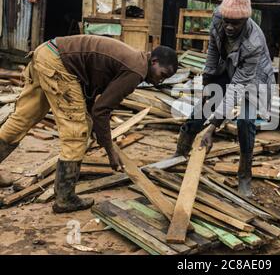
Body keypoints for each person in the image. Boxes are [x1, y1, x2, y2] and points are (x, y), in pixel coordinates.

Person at [0, 35, 178, 213]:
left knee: (22, 119)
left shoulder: (135, 60)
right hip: (59, 64)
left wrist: (96, 125)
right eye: (162, 74)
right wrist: (110, 150)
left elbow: (93, 89)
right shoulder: (136, 70)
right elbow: (102, 110)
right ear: (153, 61)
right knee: (77, 132)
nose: (159, 81)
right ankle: (65, 198)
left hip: (47, 52)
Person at [174, 0, 275, 197]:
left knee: (246, 122)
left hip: (255, 78)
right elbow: (212, 52)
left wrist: (213, 128)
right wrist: (207, 85)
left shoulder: (253, 43)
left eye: (235, 23)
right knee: (202, 107)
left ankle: (245, 176)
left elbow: (238, 87)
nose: (228, 27)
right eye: (226, 21)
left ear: (246, 20)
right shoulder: (218, 18)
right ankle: (180, 155)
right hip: (227, 67)